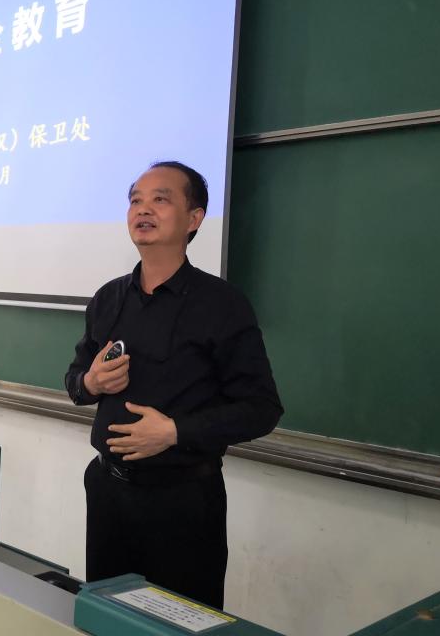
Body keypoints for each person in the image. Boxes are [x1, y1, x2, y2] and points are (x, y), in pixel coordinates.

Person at [64, 160, 283, 609]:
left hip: (182, 501)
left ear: (194, 218)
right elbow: (75, 383)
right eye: (135, 201)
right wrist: (92, 381)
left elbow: (261, 408)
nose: (143, 209)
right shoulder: (108, 298)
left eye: (160, 199)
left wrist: (174, 432)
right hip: (108, 491)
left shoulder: (222, 305)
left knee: (179, 620)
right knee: (107, 617)